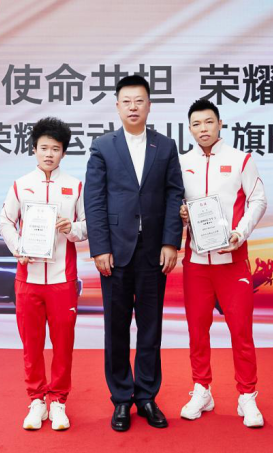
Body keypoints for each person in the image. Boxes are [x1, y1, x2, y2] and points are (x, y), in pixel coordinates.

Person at [84, 75, 184, 432]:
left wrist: (171, 242)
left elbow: (174, 194)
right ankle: (122, 399)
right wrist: (100, 248)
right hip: (115, 251)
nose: (133, 107)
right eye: (126, 101)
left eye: (139, 101)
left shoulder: (165, 146)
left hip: (154, 250)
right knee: (116, 327)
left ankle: (146, 396)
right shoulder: (103, 146)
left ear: (149, 105)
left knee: (150, 326)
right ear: (117, 106)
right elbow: (94, 200)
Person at [178, 99, 267, 428]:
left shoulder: (241, 159)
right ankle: (202, 389)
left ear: (220, 124)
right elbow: (173, 202)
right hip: (196, 262)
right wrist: (179, 212)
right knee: (197, 330)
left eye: (208, 122)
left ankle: (247, 395)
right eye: (196, 124)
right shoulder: (181, 163)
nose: (203, 129)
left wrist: (240, 233)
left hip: (232, 260)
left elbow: (259, 199)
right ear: (190, 129)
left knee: (241, 330)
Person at [0, 117, 87, 431]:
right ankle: (37, 400)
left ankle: (59, 401)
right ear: (34, 149)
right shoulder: (21, 185)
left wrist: (71, 228)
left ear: (64, 152)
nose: (49, 154)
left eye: (56, 148)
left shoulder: (75, 186)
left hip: (63, 280)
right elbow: (6, 222)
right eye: (44, 148)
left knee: (63, 345)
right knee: (32, 345)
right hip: (28, 280)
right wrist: (17, 247)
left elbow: (87, 227)